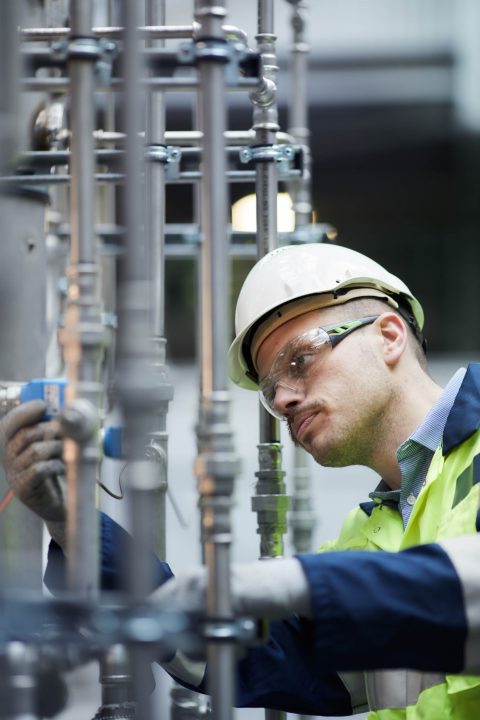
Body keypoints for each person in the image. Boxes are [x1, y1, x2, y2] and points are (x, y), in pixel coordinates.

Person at [3, 242, 480, 718]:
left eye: (301, 359)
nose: (286, 398)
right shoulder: (372, 533)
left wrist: (295, 582)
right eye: (271, 389)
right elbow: (260, 658)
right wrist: (75, 524)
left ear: (390, 336)